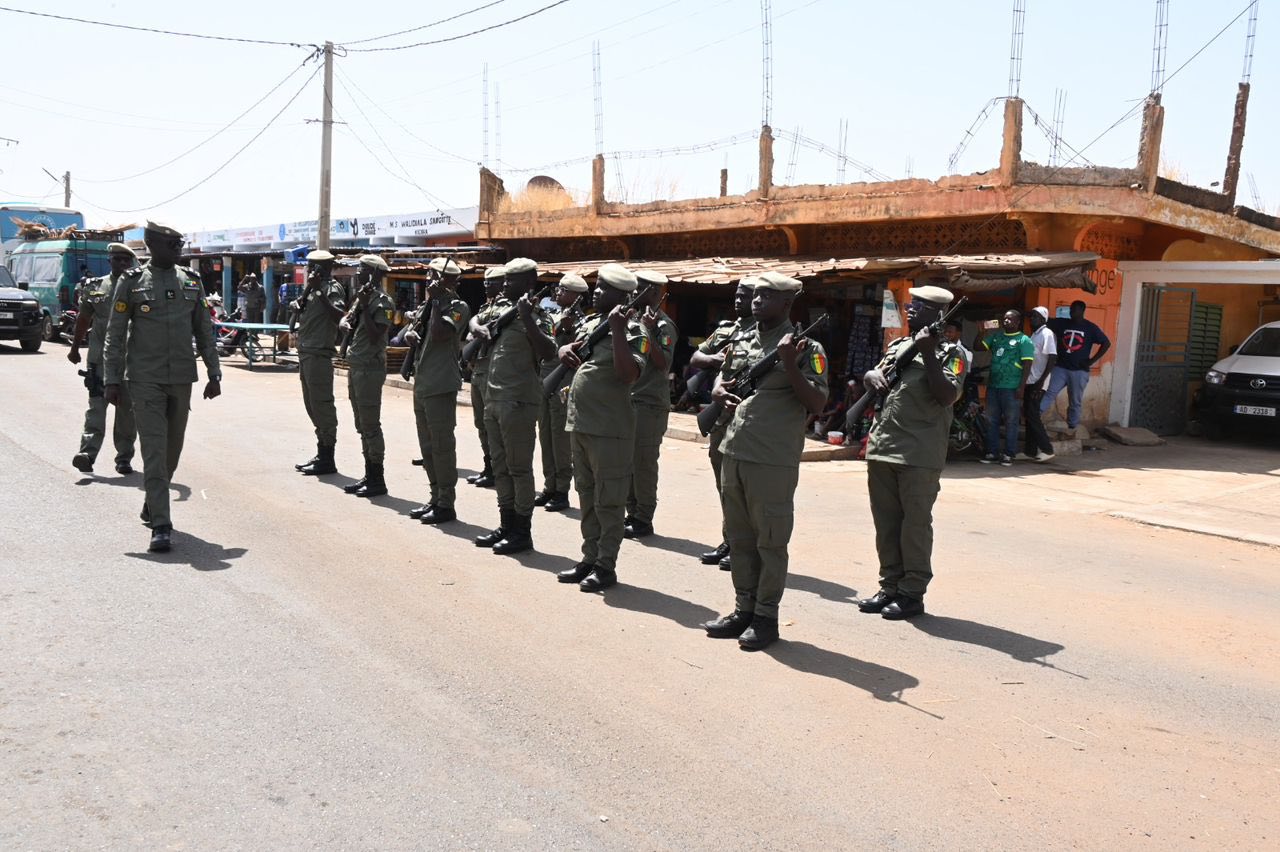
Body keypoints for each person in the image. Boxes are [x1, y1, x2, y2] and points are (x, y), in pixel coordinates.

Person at [700, 271, 828, 651]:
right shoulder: (741, 339)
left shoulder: (807, 348)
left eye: (766, 297)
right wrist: (719, 390)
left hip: (771, 458)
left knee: (769, 542)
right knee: (739, 539)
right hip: (733, 449)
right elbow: (721, 380)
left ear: (787, 304)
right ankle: (743, 608)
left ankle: (765, 617)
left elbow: (818, 403)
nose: (756, 302)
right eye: (755, 295)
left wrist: (789, 364)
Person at [102, 222, 221, 553]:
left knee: (173, 450)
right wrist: (112, 379)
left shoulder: (191, 282)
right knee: (154, 450)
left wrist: (215, 373)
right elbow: (115, 333)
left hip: (182, 378)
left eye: (179, 243)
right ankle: (162, 525)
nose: (178, 248)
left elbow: (204, 331)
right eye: (172, 243)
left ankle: (153, 503)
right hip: (144, 379)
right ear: (152, 244)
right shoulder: (132, 282)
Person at [855, 284, 964, 620]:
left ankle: (912, 593)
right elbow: (878, 377)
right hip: (883, 446)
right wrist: (870, 375)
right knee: (886, 523)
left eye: (921, 305)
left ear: (939, 314)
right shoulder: (898, 345)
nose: (911, 308)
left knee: (914, 525)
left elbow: (947, 395)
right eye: (911, 303)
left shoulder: (951, 354)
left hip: (919, 452)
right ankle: (889, 585)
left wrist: (928, 352)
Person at [555, 263, 646, 592]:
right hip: (580, 422)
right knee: (587, 496)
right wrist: (563, 348)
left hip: (610, 428)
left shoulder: (634, 330)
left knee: (609, 502)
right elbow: (571, 351)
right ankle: (589, 557)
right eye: (598, 285)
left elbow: (628, 375)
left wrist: (618, 330)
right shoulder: (592, 323)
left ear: (622, 297)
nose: (596, 291)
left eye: (605, 288)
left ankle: (606, 565)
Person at [473, 258, 556, 554]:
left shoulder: (539, 315)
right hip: (493, 398)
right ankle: (506, 524)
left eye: (511, 280)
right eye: (504, 280)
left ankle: (522, 531)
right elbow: (476, 321)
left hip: (519, 401)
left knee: (519, 469)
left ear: (529, 283)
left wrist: (528, 318)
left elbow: (549, 352)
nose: (505, 285)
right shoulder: (499, 310)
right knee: (500, 467)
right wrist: (479, 330)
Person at [688, 277, 757, 569]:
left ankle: (743, 546)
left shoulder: (765, 335)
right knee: (724, 485)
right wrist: (715, 360)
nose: (740, 301)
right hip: (721, 416)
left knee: (745, 490)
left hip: (747, 419)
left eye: (747, 296)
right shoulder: (728, 329)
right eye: (738, 296)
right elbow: (695, 356)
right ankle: (730, 540)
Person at [407, 258, 471, 524]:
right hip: (422, 381)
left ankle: (446, 503)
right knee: (427, 447)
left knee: (442, 446)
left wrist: (435, 302)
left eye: (434, 275)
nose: (428, 280)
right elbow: (412, 333)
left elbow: (440, 333)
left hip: (441, 383)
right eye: (428, 274)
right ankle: (434, 496)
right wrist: (409, 333)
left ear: (450, 281)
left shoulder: (458, 307)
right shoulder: (427, 304)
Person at [67, 242, 139, 476]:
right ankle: (87, 454)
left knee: (127, 412)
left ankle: (124, 457)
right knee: (96, 408)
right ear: (109, 261)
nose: (121, 263)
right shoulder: (95, 287)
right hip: (99, 361)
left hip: (130, 362)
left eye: (126, 260)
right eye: (117, 259)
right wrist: (75, 348)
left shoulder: (139, 288)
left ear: (131, 262)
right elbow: (83, 319)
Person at [624, 270, 678, 539]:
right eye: (634, 288)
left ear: (656, 293)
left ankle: (643, 518)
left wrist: (647, 329)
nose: (635, 293)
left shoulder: (662, 325)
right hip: (630, 401)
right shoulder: (631, 319)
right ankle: (631, 513)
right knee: (628, 463)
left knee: (643, 464)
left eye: (642, 289)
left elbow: (663, 363)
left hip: (650, 404)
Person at [339, 255, 395, 498]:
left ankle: (377, 478)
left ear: (374, 273)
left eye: (362, 268)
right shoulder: (363, 297)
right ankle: (368, 474)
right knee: (361, 424)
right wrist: (345, 322)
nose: (357, 271)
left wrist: (363, 306)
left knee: (371, 425)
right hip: (356, 365)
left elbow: (376, 336)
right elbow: (347, 320)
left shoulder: (383, 302)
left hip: (370, 369)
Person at [535, 272, 588, 513]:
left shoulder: (583, 323)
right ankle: (549, 486)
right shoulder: (554, 315)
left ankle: (562, 490)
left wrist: (570, 329)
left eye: (563, 289)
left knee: (560, 440)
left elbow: (583, 353)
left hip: (563, 386)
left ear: (576, 295)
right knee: (545, 436)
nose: (558, 292)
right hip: (544, 382)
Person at [292, 249, 347, 476]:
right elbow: (295, 319)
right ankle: (321, 451)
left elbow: (339, 315)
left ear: (322, 268)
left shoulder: (332, 288)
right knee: (311, 405)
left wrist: (319, 292)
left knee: (322, 404)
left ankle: (327, 457)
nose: (308, 270)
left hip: (319, 353)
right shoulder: (311, 288)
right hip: (305, 351)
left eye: (312, 266)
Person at [1040, 300, 1111, 430]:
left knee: (1075, 401)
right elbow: (1044, 320)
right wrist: (1028, 313)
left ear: (1082, 311)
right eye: (1071, 309)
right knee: (1049, 393)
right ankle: (1035, 416)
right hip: (1060, 368)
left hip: (1079, 371)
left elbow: (1106, 343)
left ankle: (1072, 427)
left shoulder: (1090, 327)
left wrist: (1091, 361)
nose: (1072, 312)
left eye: (1075, 310)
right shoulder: (1062, 323)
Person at [463, 268, 505, 488]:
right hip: (478, 370)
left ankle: (498, 469)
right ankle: (488, 466)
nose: (487, 285)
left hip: (492, 372)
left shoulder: (504, 310)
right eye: (486, 282)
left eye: (493, 282)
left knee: (492, 426)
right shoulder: (484, 308)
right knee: (481, 424)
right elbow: (472, 331)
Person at [980, 309, 1033, 466]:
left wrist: (1021, 387)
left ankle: (1009, 454)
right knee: (991, 420)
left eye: (1010, 319)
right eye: (1004, 319)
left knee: (1011, 421)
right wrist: (982, 332)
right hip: (994, 385)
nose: (1006, 321)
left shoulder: (1024, 340)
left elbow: (1027, 364)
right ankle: (992, 452)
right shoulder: (996, 337)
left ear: (1017, 322)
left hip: (1012, 387)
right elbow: (978, 347)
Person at [1019, 306, 1058, 462]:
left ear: (1043, 319)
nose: (1032, 319)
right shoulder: (1034, 335)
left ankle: (1047, 449)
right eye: (1031, 316)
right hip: (1030, 380)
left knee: (1033, 415)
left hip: (1038, 382)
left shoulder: (1046, 334)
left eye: (1035, 317)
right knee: (1028, 415)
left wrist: (1041, 382)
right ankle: (1030, 451)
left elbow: (1052, 358)